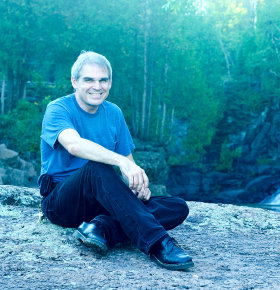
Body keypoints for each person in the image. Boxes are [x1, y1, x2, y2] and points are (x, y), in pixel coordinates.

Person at [38, 51, 194, 270]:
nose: (97, 86)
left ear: (110, 83)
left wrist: (138, 187)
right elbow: (74, 145)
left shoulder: (114, 113)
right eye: (89, 80)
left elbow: (128, 167)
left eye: (103, 80)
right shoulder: (58, 108)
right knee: (96, 168)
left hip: (101, 203)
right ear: (74, 82)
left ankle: (100, 228)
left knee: (177, 207)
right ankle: (159, 243)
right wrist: (122, 162)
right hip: (63, 202)